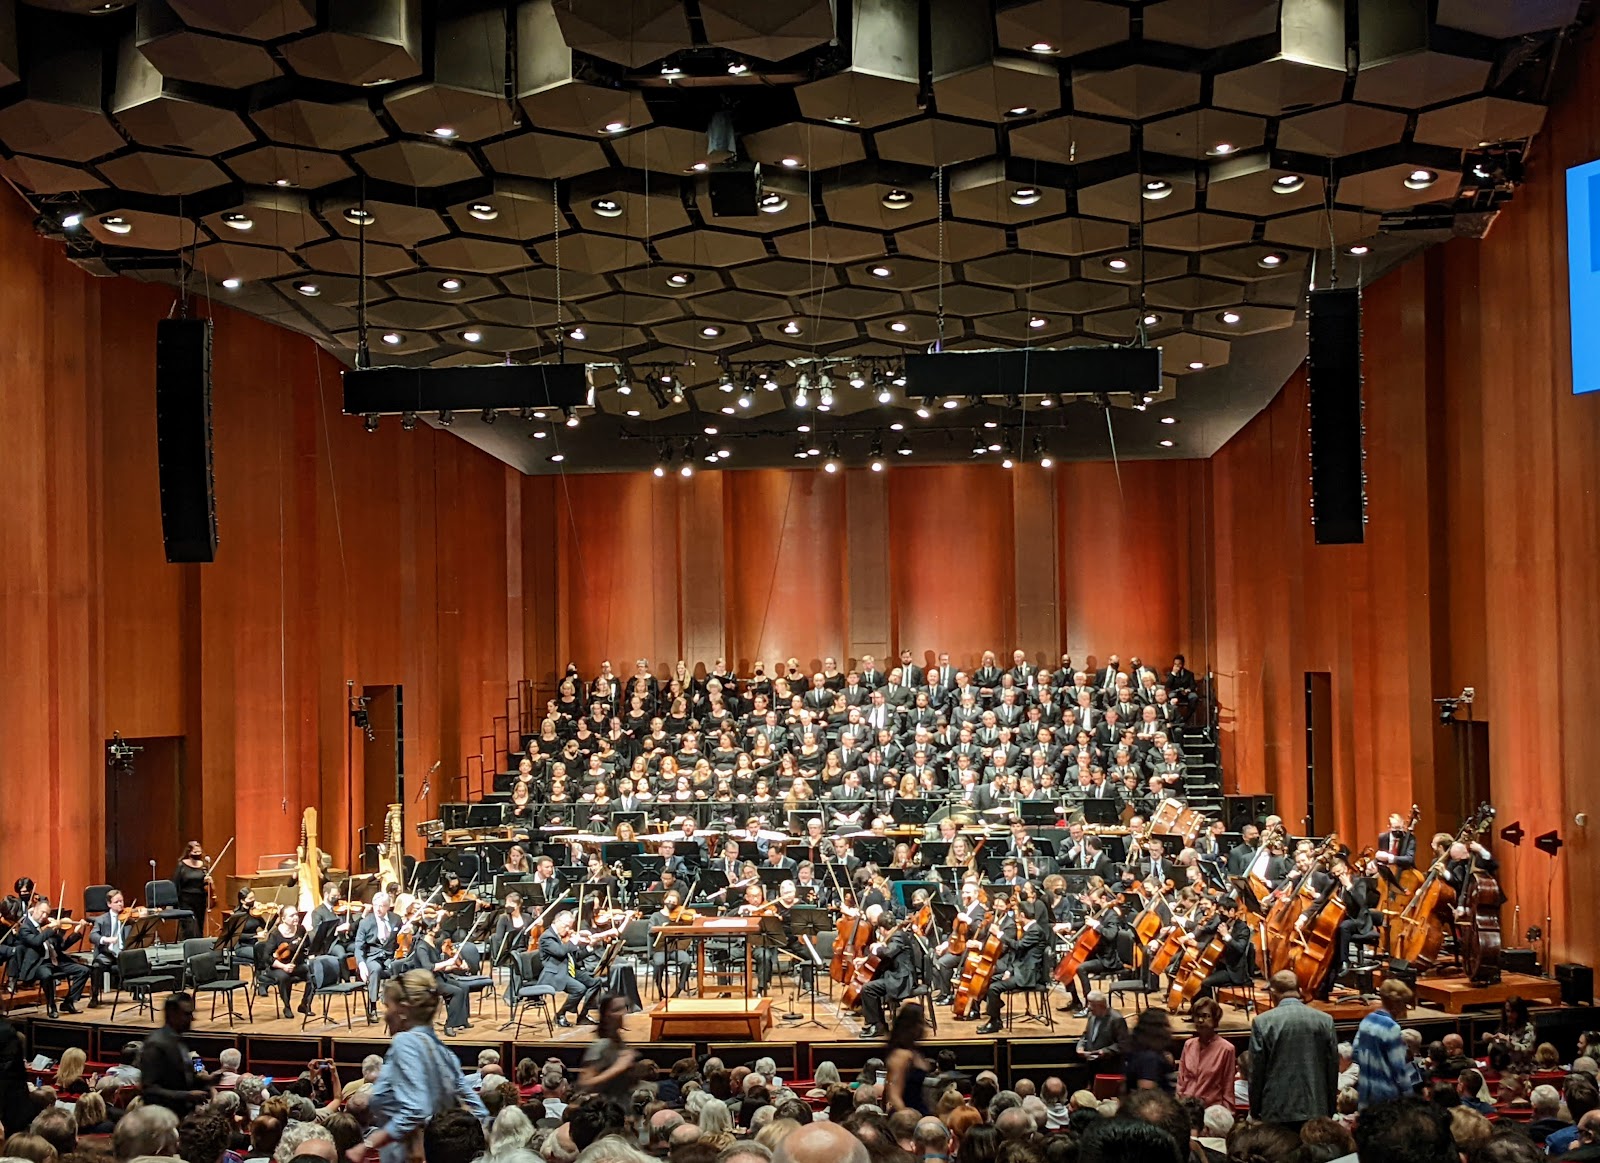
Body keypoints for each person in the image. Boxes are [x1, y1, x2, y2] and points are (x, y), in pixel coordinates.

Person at [360, 969, 488, 1163]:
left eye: (387, 1006)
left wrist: (369, 1144)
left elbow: (416, 1108)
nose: (385, 1015)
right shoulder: (444, 1052)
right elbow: (480, 1111)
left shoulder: (405, 1042)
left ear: (402, 1010)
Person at [1247, 970, 1338, 1127]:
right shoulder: (1325, 1021)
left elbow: (1256, 1071)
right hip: (1316, 1109)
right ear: (1299, 991)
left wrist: (1255, 1110)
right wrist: (1330, 1108)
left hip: (1276, 1111)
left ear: (1273, 993)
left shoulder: (1262, 1022)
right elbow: (1332, 1068)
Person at [139, 993, 213, 1117]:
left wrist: (203, 1080)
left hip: (180, 1114)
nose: (192, 1018)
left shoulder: (177, 1040)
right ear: (172, 1014)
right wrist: (186, 1096)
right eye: (187, 1014)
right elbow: (149, 1089)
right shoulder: (156, 1044)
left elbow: (178, 1078)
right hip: (163, 1117)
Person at [1355, 978, 1420, 1107]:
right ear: (1396, 1004)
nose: (1404, 1009)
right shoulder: (1392, 1028)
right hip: (1385, 1098)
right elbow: (1398, 1069)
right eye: (1403, 1004)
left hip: (1364, 1093)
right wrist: (1410, 1097)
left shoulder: (1367, 1020)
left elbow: (1355, 1052)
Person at [576, 994, 637, 1103]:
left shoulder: (618, 1040)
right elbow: (584, 1084)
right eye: (617, 1010)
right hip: (608, 1107)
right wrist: (618, 1067)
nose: (623, 1013)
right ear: (606, 1015)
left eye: (624, 1008)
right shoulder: (601, 1045)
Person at [1177, 997, 1236, 1108]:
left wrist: (1228, 1113)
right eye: (1197, 1016)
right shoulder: (1188, 1044)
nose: (1199, 1020)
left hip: (1211, 1110)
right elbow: (1181, 1080)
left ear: (1215, 1019)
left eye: (1205, 1016)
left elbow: (1227, 1086)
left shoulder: (1226, 1049)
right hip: (1187, 1109)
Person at [883, 1003, 932, 1114]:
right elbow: (894, 1095)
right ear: (911, 1025)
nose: (923, 1027)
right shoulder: (901, 1055)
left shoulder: (914, 1051)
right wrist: (908, 1120)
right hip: (909, 1117)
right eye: (920, 1022)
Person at [174, 840, 213, 941]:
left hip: (200, 899)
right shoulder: (182, 865)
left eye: (199, 852)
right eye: (195, 852)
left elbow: (205, 884)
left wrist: (208, 881)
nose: (197, 854)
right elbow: (176, 883)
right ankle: (190, 946)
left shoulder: (203, 866)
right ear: (189, 852)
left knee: (199, 926)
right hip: (185, 900)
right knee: (190, 927)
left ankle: (198, 947)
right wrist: (176, 902)